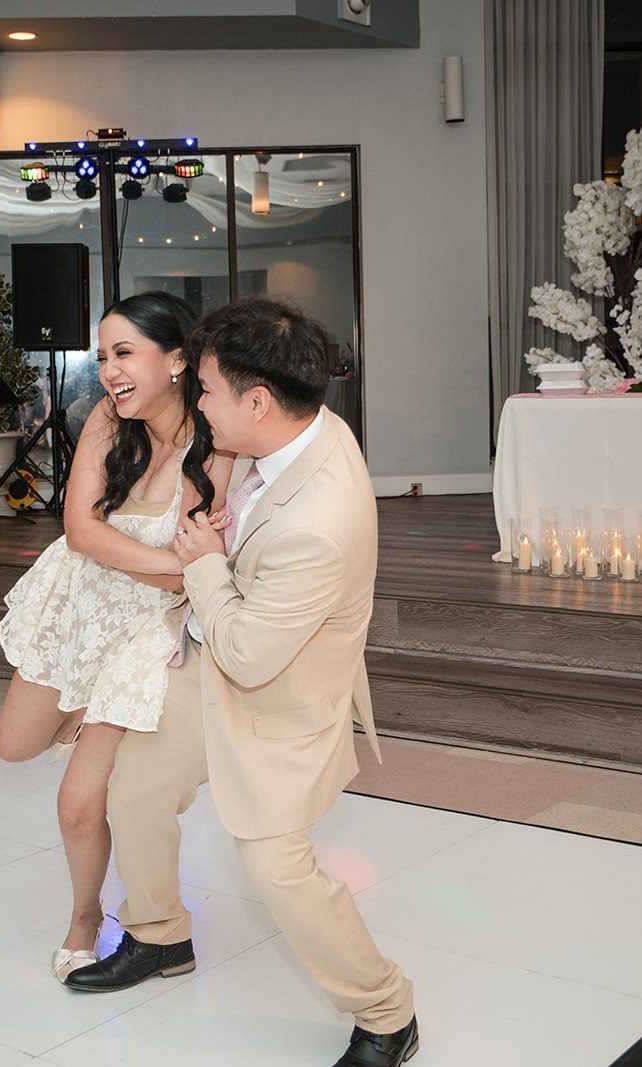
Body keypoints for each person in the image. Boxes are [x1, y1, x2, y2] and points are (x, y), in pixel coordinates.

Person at [66, 298, 419, 1067]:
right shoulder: (295, 429)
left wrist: (201, 562)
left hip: (277, 691)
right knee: (138, 786)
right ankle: (161, 935)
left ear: (256, 401)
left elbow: (254, 654)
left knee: (276, 866)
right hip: (213, 653)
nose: (199, 403)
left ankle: (388, 1011)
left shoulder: (321, 521)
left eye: (210, 391)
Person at [0, 292, 232, 985]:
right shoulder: (106, 418)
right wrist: (173, 567)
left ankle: (85, 917)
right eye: (103, 356)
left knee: (77, 803)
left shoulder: (212, 443)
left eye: (124, 352)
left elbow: (188, 571)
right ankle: (84, 717)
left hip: (141, 635)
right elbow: (79, 529)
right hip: (77, 607)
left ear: (178, 359)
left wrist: (173, 576)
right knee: (13, 744)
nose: (109, 371)